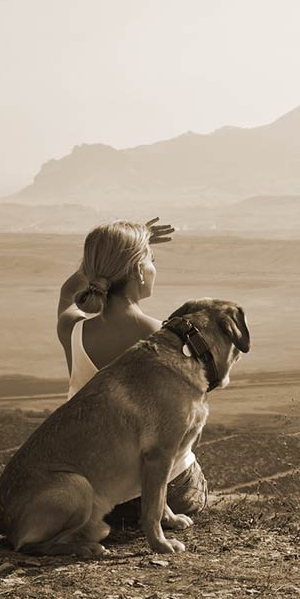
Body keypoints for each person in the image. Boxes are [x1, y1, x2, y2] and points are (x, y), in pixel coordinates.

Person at [56, 217, 208, 520]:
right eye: (151, 260)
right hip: (169, 494)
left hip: (100, 495)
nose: (153, 268)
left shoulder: (70, 329)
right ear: (139, 271)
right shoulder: (167, 338)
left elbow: (66, 292)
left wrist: (109, 251)